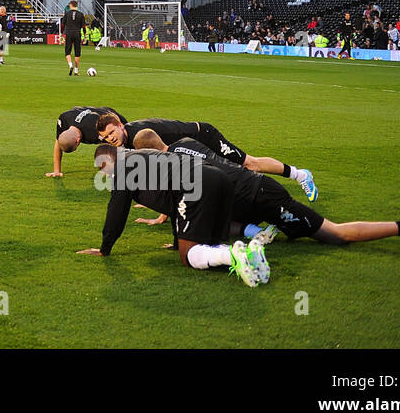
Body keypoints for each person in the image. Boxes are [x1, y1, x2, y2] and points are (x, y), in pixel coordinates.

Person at [140, 137, 400, 252]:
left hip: (260, 194)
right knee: (224, 224)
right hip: (247, 190)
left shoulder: (173, 163)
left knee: (336, 235)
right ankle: (261, 230)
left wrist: (184, 241)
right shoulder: (185, 146)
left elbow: (186, 199)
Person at [78, 144, 270, 287]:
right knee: (208, 244)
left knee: (188, 256)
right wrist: (177, 241)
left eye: (101, 167)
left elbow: (117, 210)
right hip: (220, 179)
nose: (103, 173)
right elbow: (175, 204)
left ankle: (236, 254)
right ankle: (250, 258)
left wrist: (105, 248)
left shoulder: (123, 168)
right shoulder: (143, 156)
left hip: (197, 183)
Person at [95, 114, 319, 201]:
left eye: (112, 133)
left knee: (249, 165)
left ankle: (300, 174)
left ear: (120, 126)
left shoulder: (138, 138)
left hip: (205, 136)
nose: (111, 139)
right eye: (106, 137)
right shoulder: (132, 136)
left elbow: (164, 169)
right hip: (190, 146)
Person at [46, 105, 129, 177]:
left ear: (78, 141)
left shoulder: (94, 129)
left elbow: (113, 146)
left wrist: (110, 173)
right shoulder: (63, 120)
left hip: (113, 118)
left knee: (125, 145)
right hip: (96, 112)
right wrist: (57, 171)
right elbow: (59, 142)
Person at [61, 0, 87, 76]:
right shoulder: (81, 14)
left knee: (67, 52)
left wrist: (62, 33)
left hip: (68, 33)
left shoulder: (67, 14)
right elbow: (83, 26)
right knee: (77, 53)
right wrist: (85, 34)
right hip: (77, 33)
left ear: (71, 5)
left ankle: (70, 65)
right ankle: (76, 71)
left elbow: (62, 25)